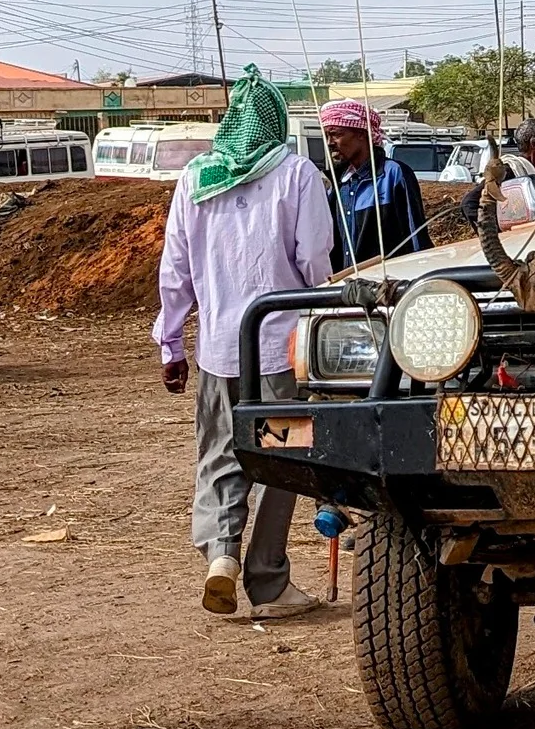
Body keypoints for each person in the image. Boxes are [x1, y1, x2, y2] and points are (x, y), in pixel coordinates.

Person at [153, 66, 334, 618]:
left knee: (218, 454)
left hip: (219, 351)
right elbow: (314, 263)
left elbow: (174, 271)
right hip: (282, 348)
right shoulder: (298, 173)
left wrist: (171, 345)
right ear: (276, 122)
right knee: (286, 456)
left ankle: (221, 555)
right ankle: (268, 578)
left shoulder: (195, 178)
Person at [321, 97, 430, 271]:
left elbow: (416, 235)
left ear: (361, 134)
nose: (329, 143)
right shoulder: (338, 183)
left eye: (336, 134)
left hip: (388, 286)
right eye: (326, 135)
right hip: (348, 289)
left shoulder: (393, 174)